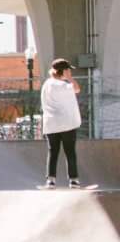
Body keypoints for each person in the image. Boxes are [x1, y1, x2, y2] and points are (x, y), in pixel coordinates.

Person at [42, 58, 85, 188]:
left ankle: (50, 180)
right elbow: (77, 89)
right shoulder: (63, 85)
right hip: (67, 123)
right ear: (64, 71)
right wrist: (70, 78)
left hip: (51, 124)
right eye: (68, 70)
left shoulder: (47, 84)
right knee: (70, 151)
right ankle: (73, 180)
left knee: (53, 151)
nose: (69, 72)